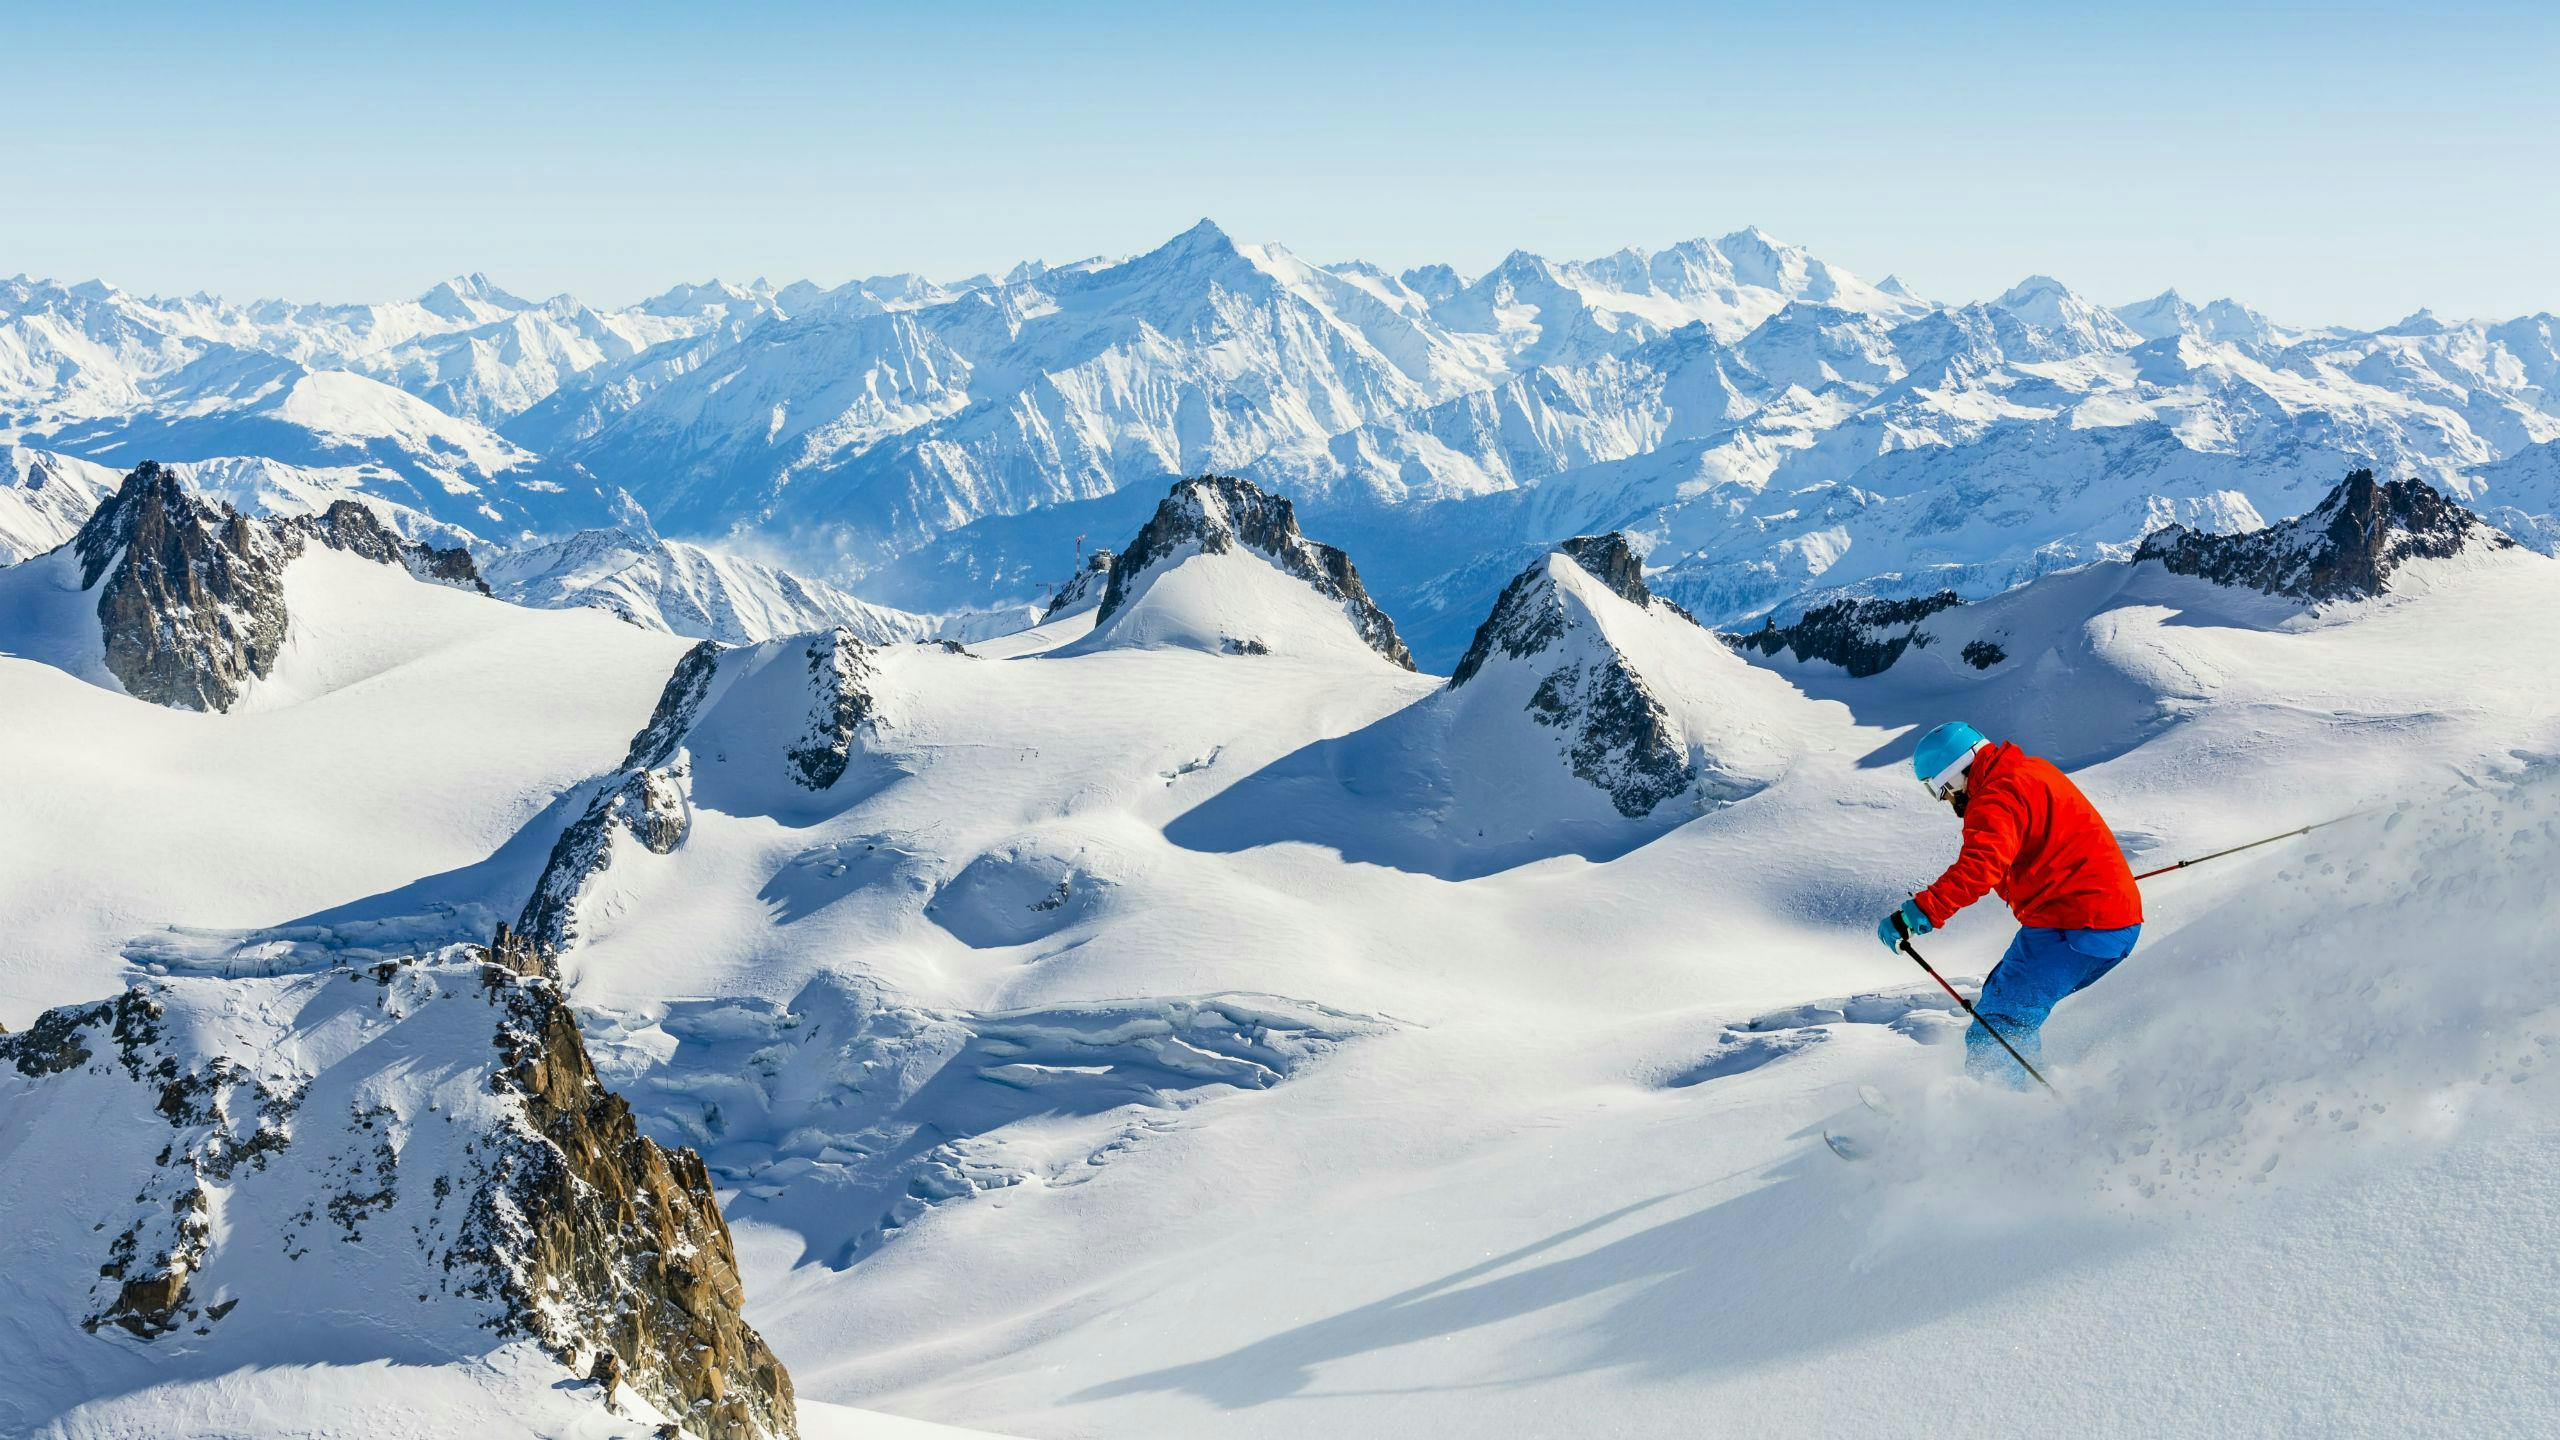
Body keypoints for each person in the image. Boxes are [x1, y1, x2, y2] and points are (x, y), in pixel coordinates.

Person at [1877, 722, 2143, 1086]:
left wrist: (1917, 913)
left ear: (1954, 776)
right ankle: (2026, 1098)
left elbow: (1979, 867)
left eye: (1940, 790)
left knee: (1999, 1027)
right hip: (2101, 918)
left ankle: (2005, 1122)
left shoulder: (1996, 797)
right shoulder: (2028, 770)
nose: (1945, 800)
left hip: (2078, 926)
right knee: (2001, 1004)